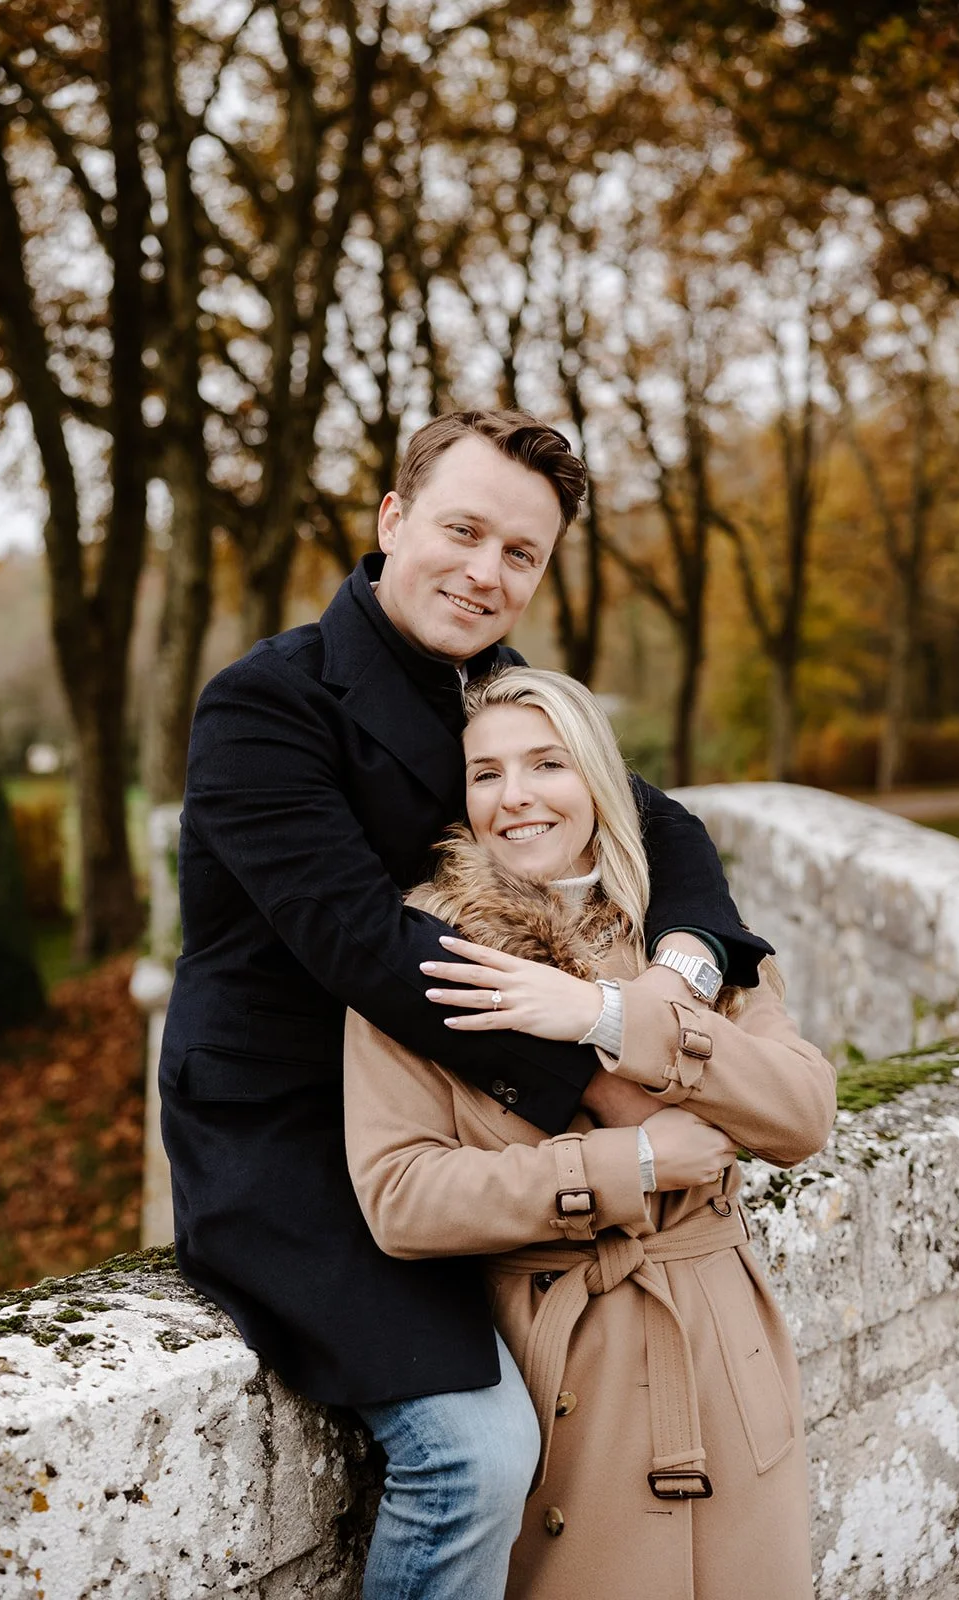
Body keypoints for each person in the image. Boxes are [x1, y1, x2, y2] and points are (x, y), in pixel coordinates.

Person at [159, 409, 773, 1599]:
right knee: (476, 1457)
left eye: (520, 553)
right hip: (295, 1143)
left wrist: (676, 976)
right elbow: (369, 948)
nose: (486, 571)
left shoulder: (495, 694)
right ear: (392, 520)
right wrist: (606, 1077)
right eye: (463, 531)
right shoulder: (264, 704)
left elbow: (664, 826)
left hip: (469, 1117)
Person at [343, 666, 836, 1600]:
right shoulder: (425, 953)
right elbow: (401, 1198)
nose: (515, 797)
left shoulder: (690, 936)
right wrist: (631, 1162)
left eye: (547, 764)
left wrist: (606, 1015)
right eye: (485, 774)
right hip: (570, 1368)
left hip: (725, 1354)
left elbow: (802, 1113)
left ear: (599, 778)